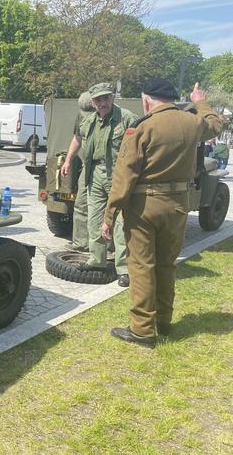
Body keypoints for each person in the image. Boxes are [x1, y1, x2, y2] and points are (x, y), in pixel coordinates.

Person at [101, 80, 222, 348]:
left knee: (142, 266)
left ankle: (143, 329)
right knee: (167, 264)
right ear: (172, 99)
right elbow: (216, 124)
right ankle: (164, 321)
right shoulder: (192, 123)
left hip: (144, 207)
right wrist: (199, 100)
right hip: (178, 205)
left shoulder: (141, 128)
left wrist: (109, 216)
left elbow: (124, 178)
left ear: (147, 101)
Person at [61, 83, 137, 287]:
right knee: (94, 220)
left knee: (121, 222)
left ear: (112, 98)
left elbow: (141, 145)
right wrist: (68, 160)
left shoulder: (127, 118)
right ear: (93, 103)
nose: (102, 103)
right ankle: (97, 260)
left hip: (118, 177)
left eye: (106, 98)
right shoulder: (90, 121)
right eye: (98, 100)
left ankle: (124, 268)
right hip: (94, 175)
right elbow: (77, 138)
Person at [64, 91, 95, 253]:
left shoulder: (117, 117)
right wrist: (68, 160)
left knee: (107, 208)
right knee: (81, 204)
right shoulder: (81, 116)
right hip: (88, 165)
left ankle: (107, 248)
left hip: (108, 169)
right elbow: (77, 137)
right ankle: (81, 243)